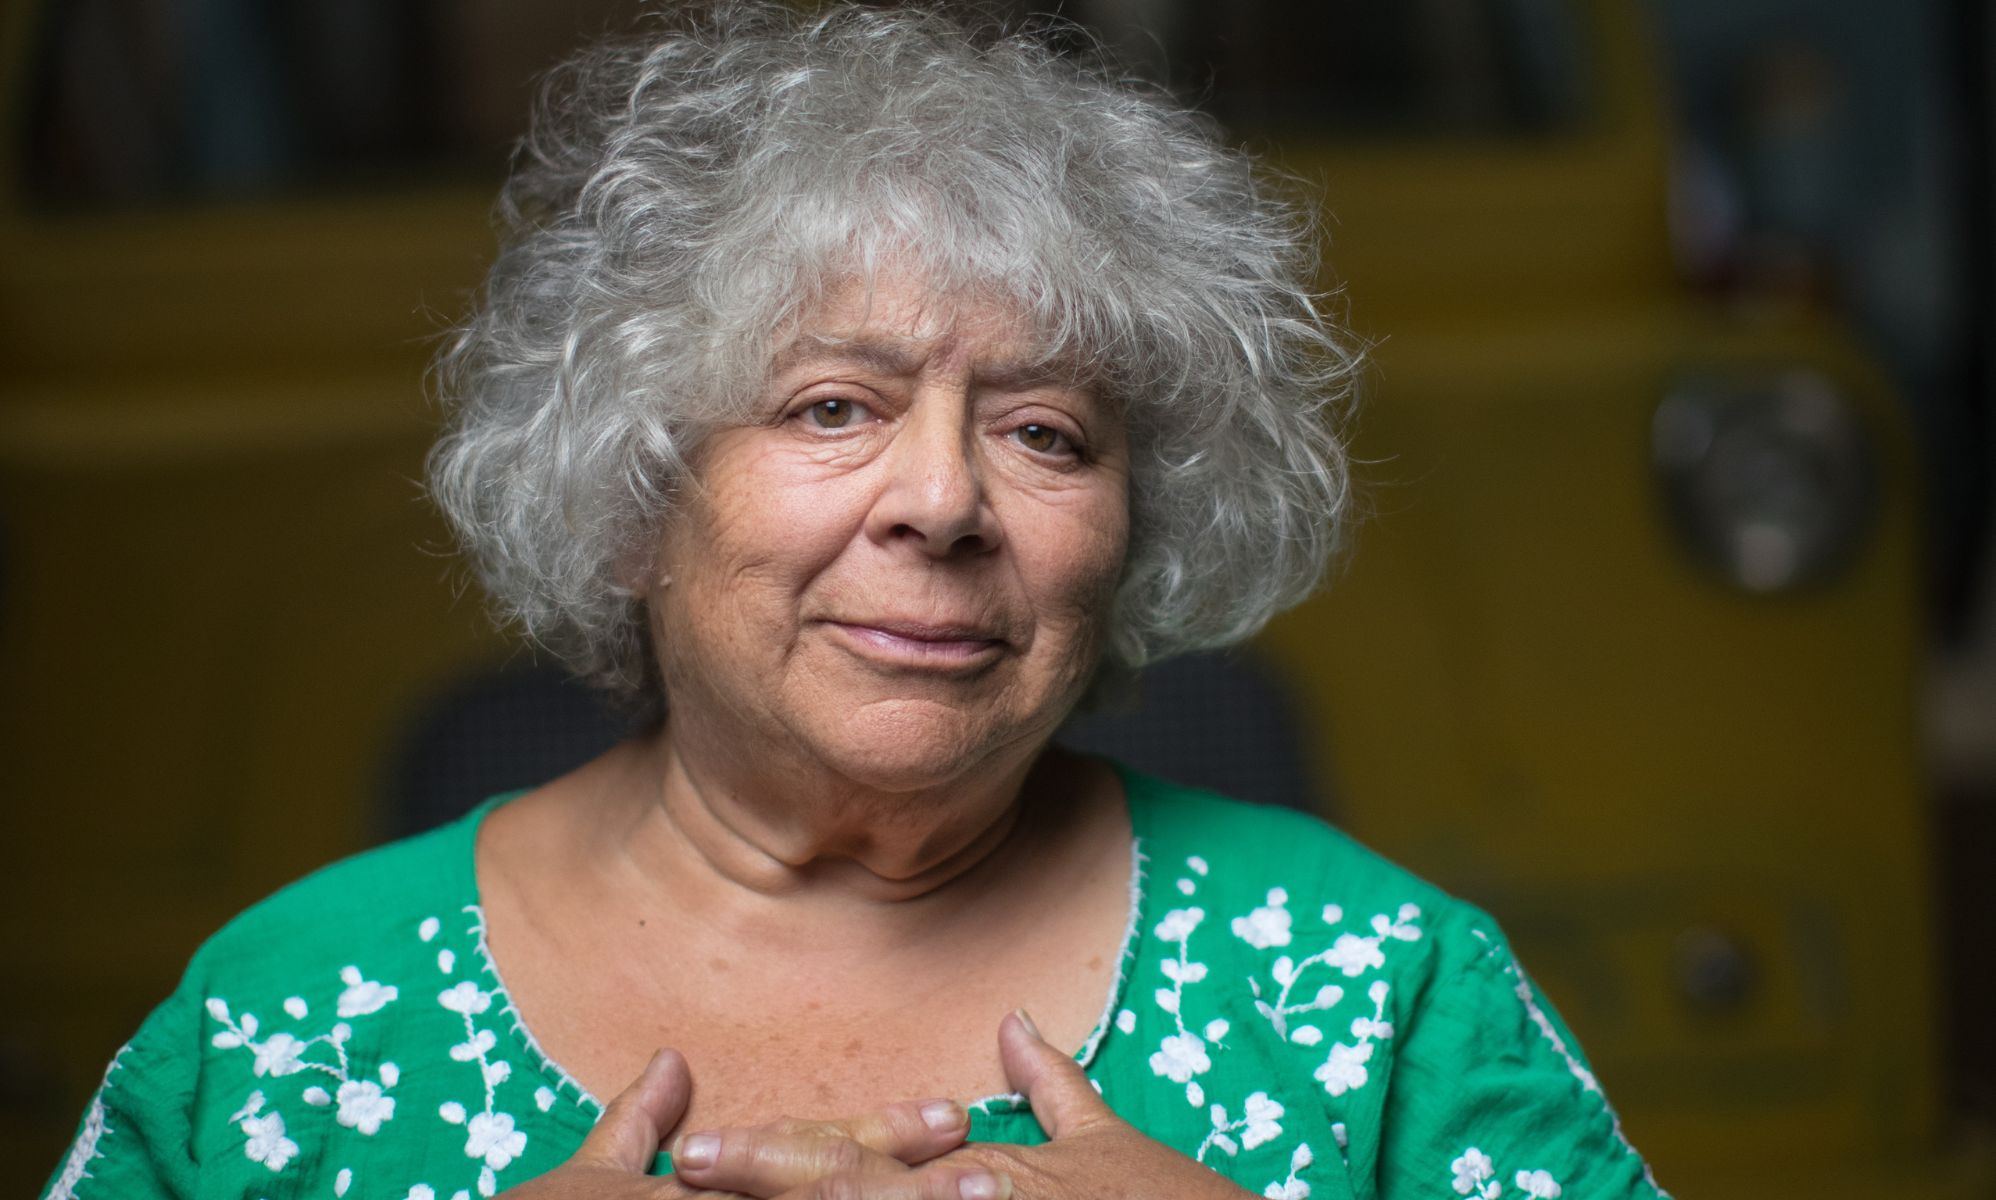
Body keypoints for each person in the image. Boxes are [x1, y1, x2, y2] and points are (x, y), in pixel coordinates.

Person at [42, 5, 1666, 1199]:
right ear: (633, 499)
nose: (947, 500)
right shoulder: (291, 1017)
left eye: (1045, 433)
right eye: (831, 406)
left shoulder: (1379, 985)